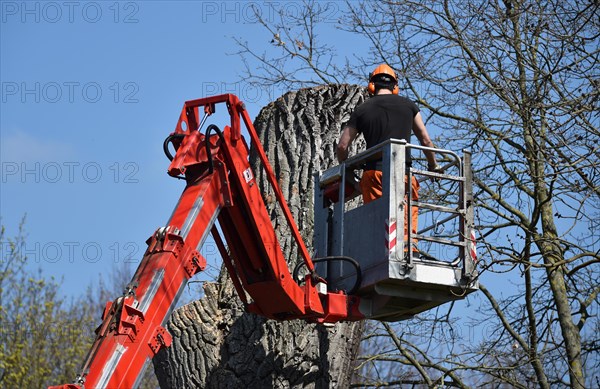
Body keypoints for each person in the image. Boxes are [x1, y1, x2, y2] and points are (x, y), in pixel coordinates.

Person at [336, 63, 439, 256]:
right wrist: (433, 165)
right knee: (407, 212)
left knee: (378, 216)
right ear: (395, 86)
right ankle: (409, 249)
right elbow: (425, 139)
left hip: (375, 174)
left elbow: (342, 146)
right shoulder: (409, 105)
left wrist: (346, 167)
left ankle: (381, 251)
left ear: (372, 86)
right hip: (404, 174)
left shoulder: (362, 109)